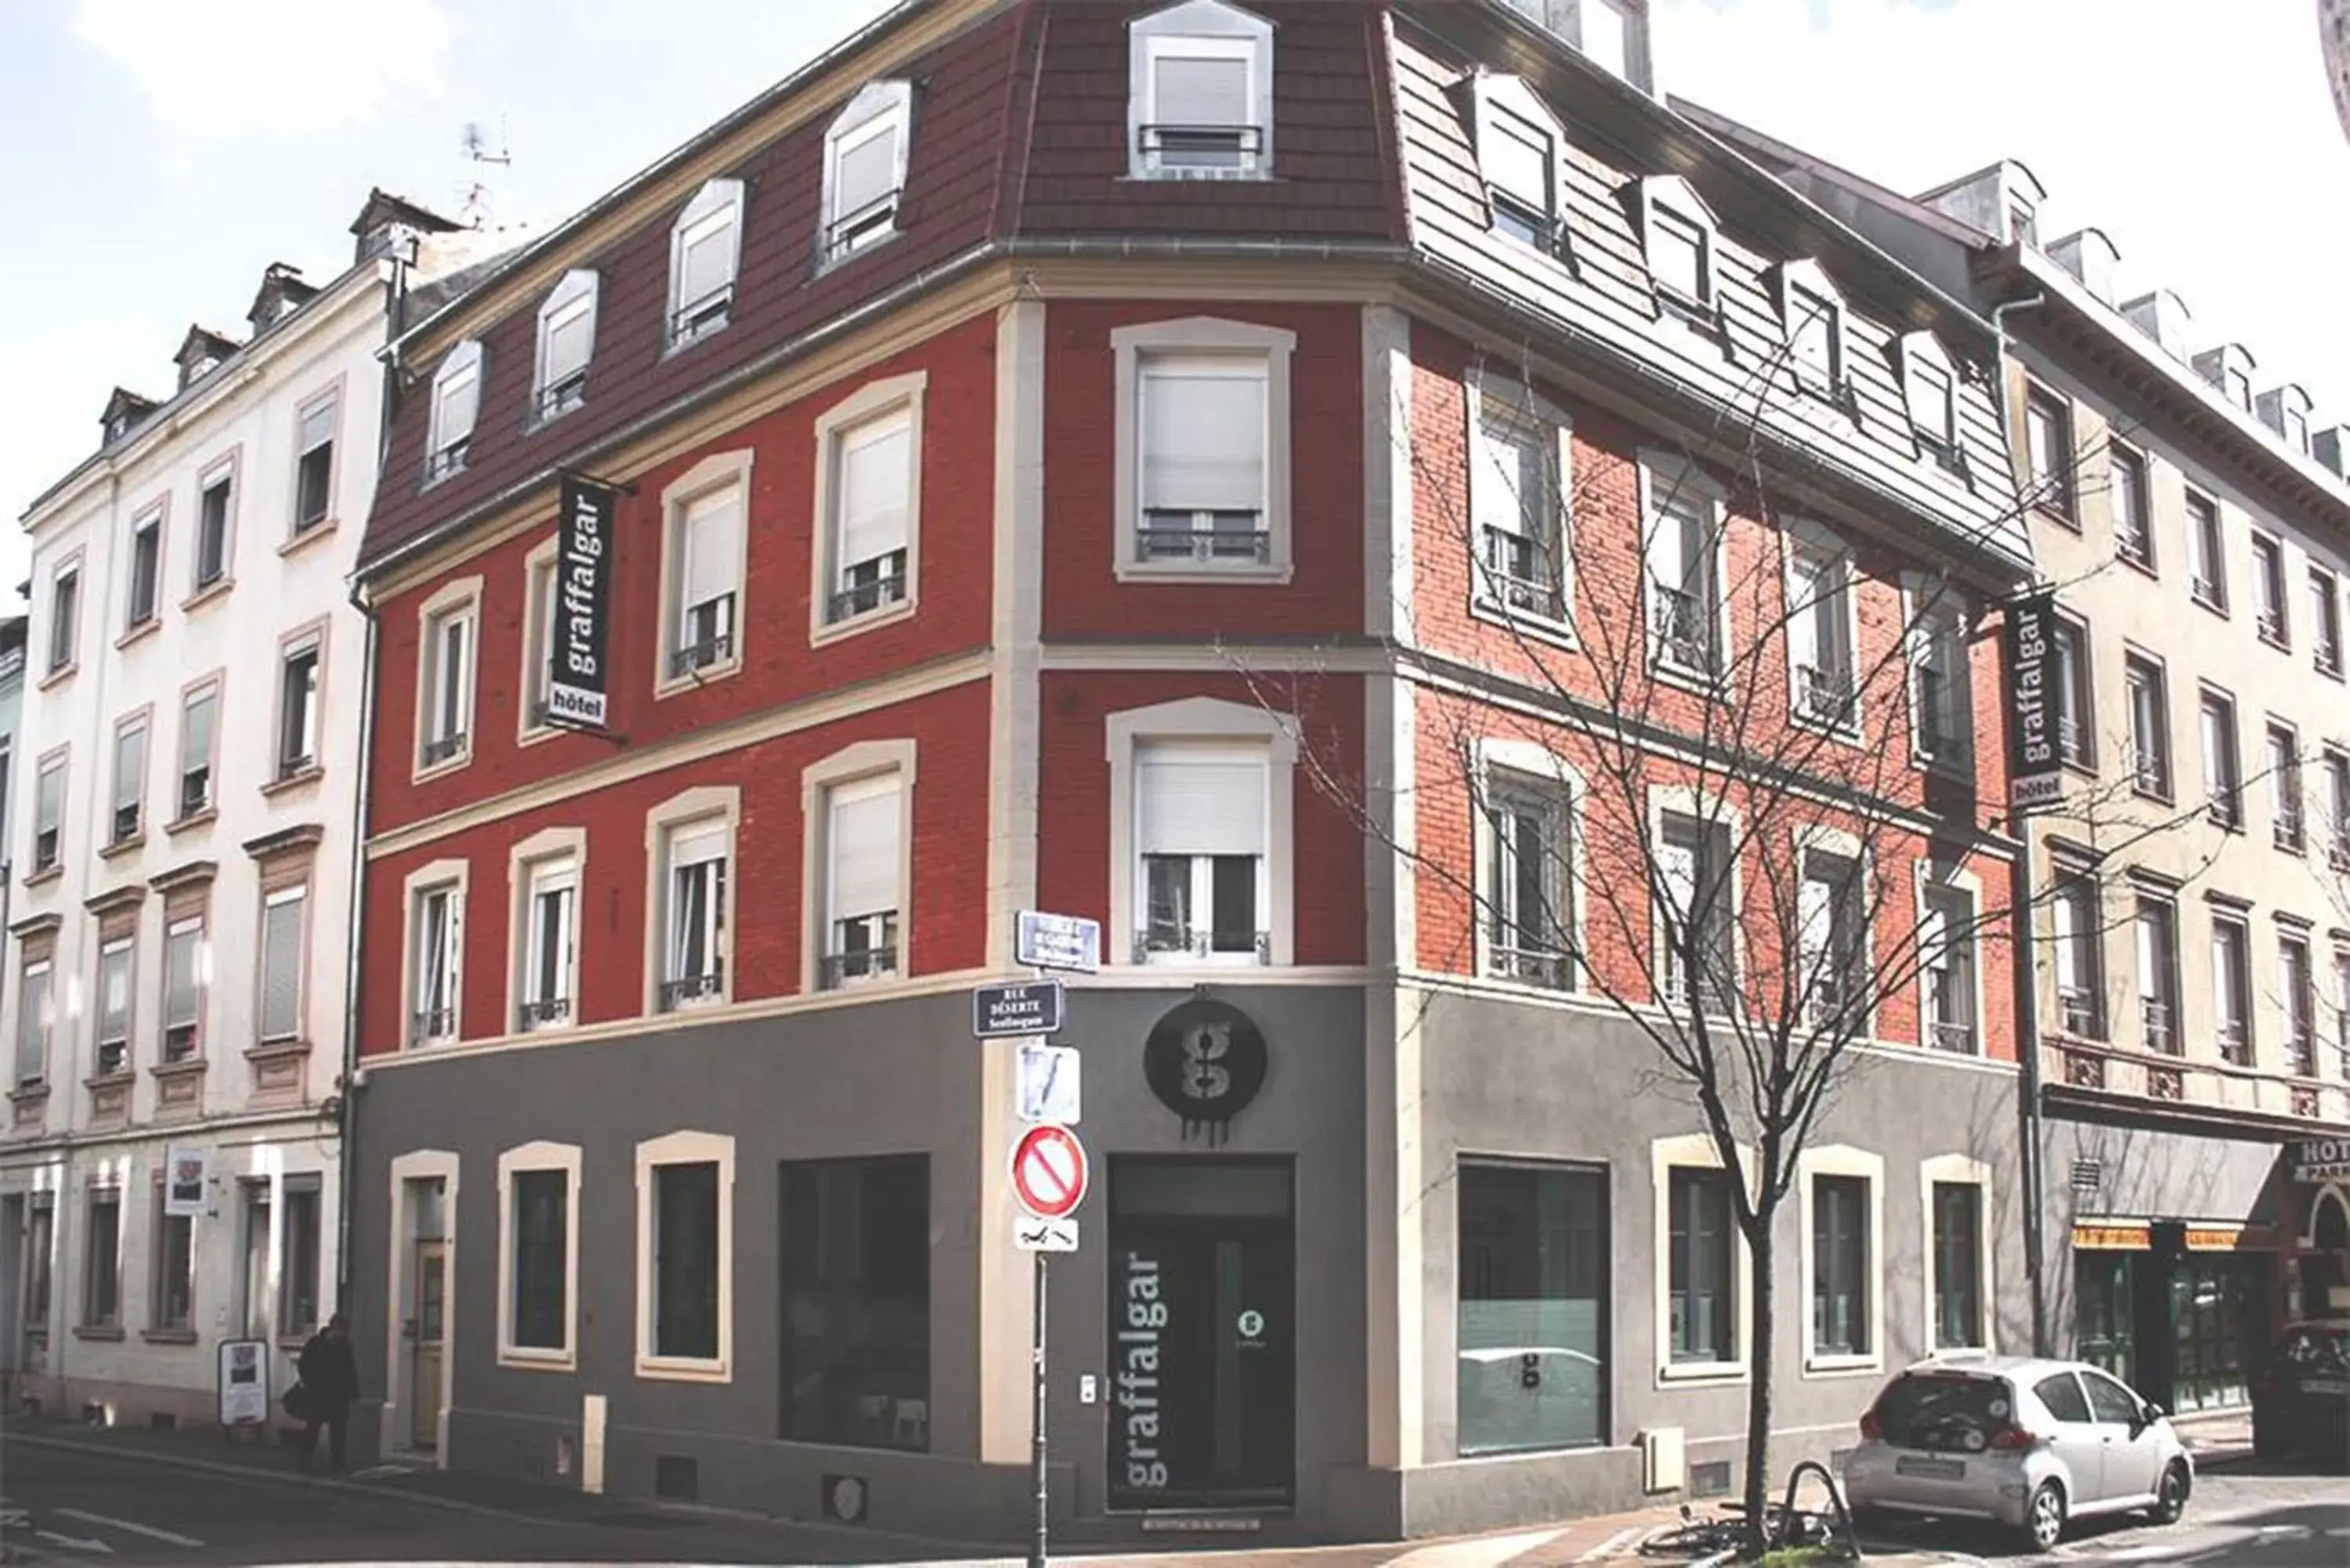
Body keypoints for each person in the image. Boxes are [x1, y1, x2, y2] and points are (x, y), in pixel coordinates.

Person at [296, 1312, 360, 1473]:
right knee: (313, 1427)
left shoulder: (345, 1345)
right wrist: (310, 1381)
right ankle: (306, 1459)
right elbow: (303, 1364)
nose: (342, 1334)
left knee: (338, 1430)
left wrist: (354, 1390)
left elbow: (349, 1369)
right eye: (341, 1330)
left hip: (338, 1393)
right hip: (319, 1392)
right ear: (333, 1329)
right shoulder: (317, 1343)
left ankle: (337, 1463)